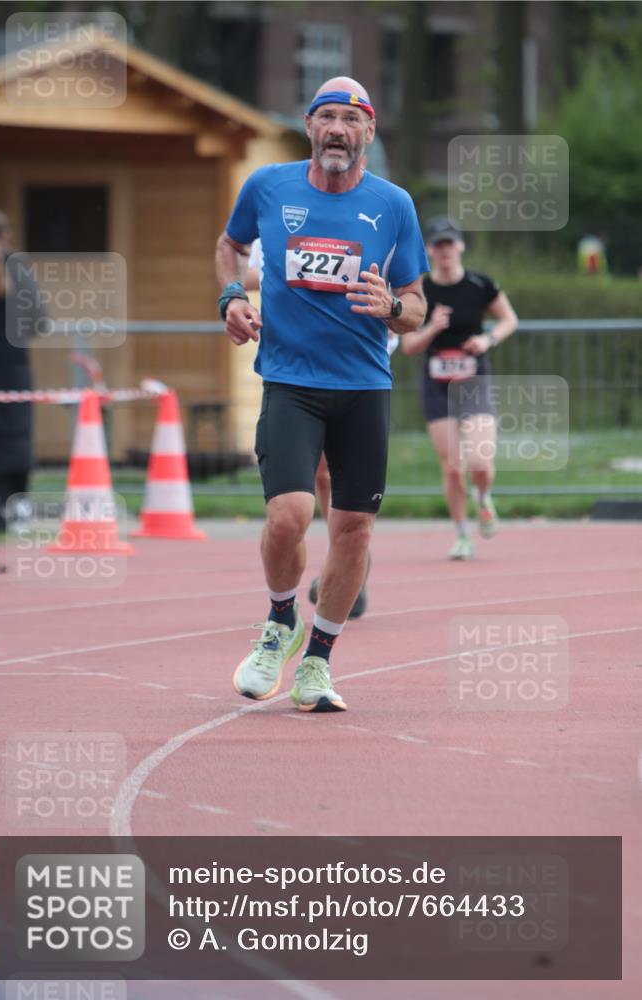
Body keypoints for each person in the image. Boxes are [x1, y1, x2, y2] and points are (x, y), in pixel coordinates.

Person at [215, 76, 428, 712]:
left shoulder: (394, 205)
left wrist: (392, 305)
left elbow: (416, 306)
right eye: (327, 117)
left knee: (355, 527)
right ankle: (281, 618)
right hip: (290, 382)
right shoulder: (268, 188)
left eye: (351, 119)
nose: (338, 129)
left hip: (364, 387)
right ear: (309, 126)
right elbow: (231, 246)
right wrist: (231, 297)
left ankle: (318, 660)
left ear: (368, 133)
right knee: (289, 515)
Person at [244, 237, 399, 619]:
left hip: (356, 362)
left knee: (331, 477)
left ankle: (348, 556)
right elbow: (244, 269)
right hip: (297, 372)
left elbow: (407, 294)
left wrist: (388, 302)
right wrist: (236, 292)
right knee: (307, 487)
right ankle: (338, 561)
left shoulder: (374, 213)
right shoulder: (276, 221)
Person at [401, 217, 518, 560]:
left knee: (480, 462)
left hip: (473, 380)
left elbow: (509, 320)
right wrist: (432, 328)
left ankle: (483, 497)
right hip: (437, 384)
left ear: (460, 247)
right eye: (438, 245)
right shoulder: (420, 289)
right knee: (452, 467)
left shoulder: (480, 285)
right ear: (429, 250)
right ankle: (462, 534)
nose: (444, 251)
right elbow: (408, 346)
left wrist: (487, 339)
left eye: (450, 244)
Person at [0, 210, 44, 532]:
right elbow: (39, 321)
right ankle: (12, 519)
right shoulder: (15, 265)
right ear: (6, 236)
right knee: (12, 447)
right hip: (10, 374)